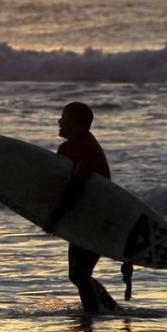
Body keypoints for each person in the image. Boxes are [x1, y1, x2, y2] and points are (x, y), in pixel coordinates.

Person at [46, 102, 121, 313]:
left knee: (80, 274)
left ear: (76, 123)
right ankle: (111, 310)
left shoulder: (86, 147)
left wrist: (56, 217)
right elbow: (58, 185)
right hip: (81, 218)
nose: (59, 121)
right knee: (77, 275)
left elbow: (77, 186)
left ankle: (94, 315)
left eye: (64, 117)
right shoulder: (67, 148)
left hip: (97, 219)